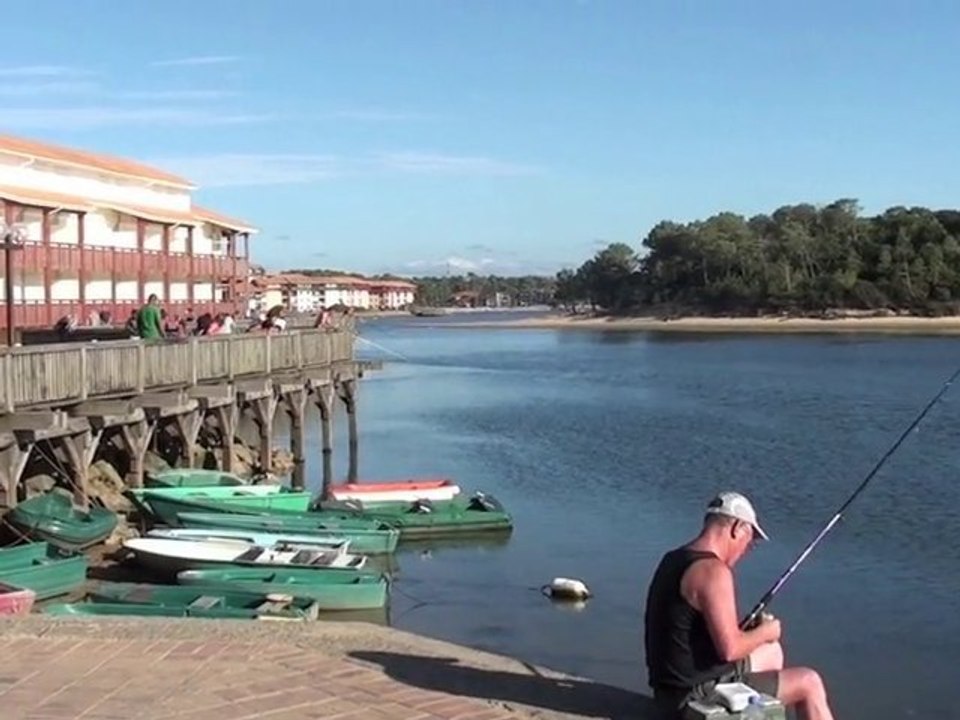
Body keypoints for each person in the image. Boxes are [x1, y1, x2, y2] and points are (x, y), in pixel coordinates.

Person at [644, 492, 834, 720]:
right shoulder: (714, 572)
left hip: (667, 694)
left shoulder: (674, 558)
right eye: (750, 541)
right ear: (737, 528)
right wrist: (766, 631)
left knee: (771, 652)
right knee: (809, 682)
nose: (746, 550)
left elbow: (690, 634)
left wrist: (752, 633)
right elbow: (730, 650)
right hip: (692, 700)